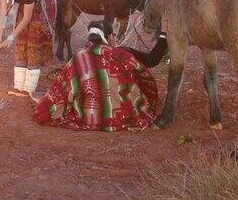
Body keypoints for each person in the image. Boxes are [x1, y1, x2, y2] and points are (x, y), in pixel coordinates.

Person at [33, 20, 167, 132]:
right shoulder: (122, 54)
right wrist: (164, 34)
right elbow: (152, 60)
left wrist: (46, 104)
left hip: (89, 116)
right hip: (123, 117)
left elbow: (63, 88)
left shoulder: (78, 58)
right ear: (110, 37)